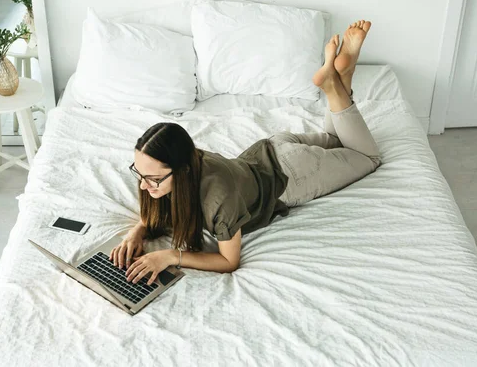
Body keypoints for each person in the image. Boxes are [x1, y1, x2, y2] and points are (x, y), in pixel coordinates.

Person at [110, 20, 381, 285]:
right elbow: (160, 205)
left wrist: (170, 256)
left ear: (182, 170)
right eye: (140, 174)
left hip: (295, 174)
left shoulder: (219, 200)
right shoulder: (185, 158)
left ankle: (335, 82)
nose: (145, 187)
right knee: (338, 137)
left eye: (153, 179)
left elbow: (228, 262)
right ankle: (341, 74)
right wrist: (137, 232)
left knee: (367, 157)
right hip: (273, 147)